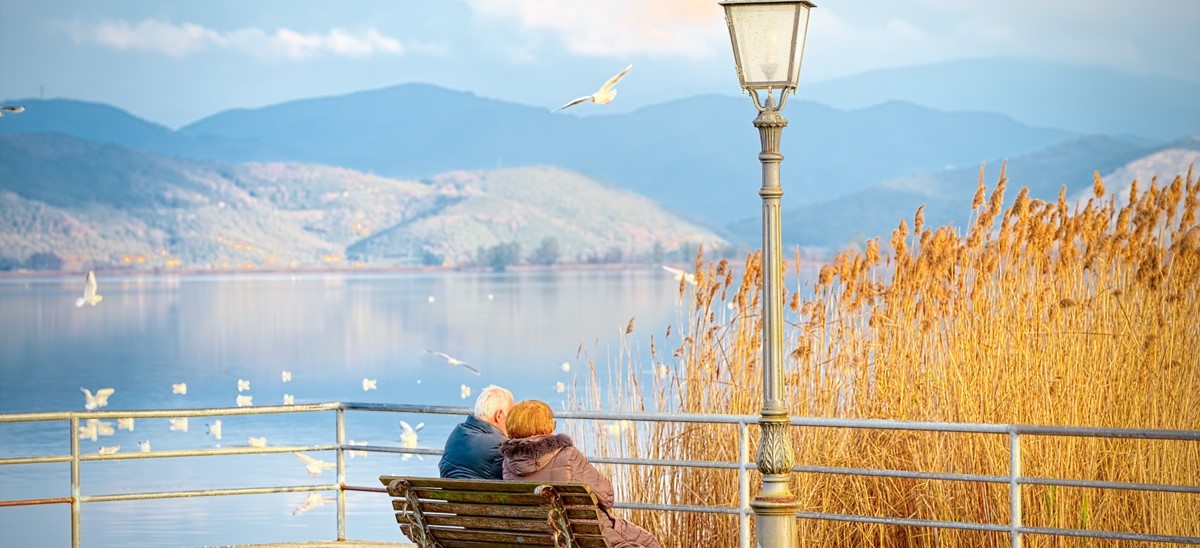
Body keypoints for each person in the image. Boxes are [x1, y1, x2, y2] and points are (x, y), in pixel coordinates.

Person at [499, 400, 660, 548]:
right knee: (649, 542)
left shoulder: (508, 463)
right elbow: (607, 496)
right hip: (584, 535)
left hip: (539, 537)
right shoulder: (568, 455)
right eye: (552, 423)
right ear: (545, 427)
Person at [438, 385, 514, 479]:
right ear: (499, 415)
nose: (512, 421)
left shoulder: (456, 434)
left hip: (449, 493)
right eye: (511, 416)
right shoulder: (501, 447)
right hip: (484, 494)